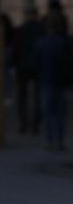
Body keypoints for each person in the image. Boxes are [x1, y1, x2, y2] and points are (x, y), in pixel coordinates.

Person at [36, 14, 71, 151]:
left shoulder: (41, 43)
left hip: (46, 81)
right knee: (60, 114)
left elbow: (36, 63)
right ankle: (60, 141)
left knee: (48, 114)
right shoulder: (64, 43)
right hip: (61, 83)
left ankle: (49, 141)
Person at [16, 5, 44, 135]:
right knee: (37, 95)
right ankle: (35, 124)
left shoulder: (22, 29)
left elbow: (16, 48)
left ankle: (24, 123)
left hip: (23, 66)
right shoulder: (41, 29)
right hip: (38, 65)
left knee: (23, 95)